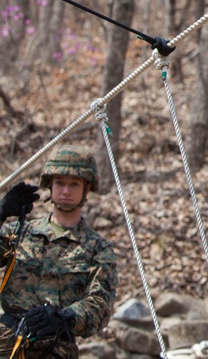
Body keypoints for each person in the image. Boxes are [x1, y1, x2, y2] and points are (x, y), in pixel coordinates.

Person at [0, 146, 119, 359]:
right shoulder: (19, 232)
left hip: (55, 348)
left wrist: (66, 317)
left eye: (74, 184)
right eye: (60, 183)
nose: (66, 190)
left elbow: (101, 305)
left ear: (87, 188)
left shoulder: (98, 248)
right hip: (6, 341)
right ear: (50, 186)